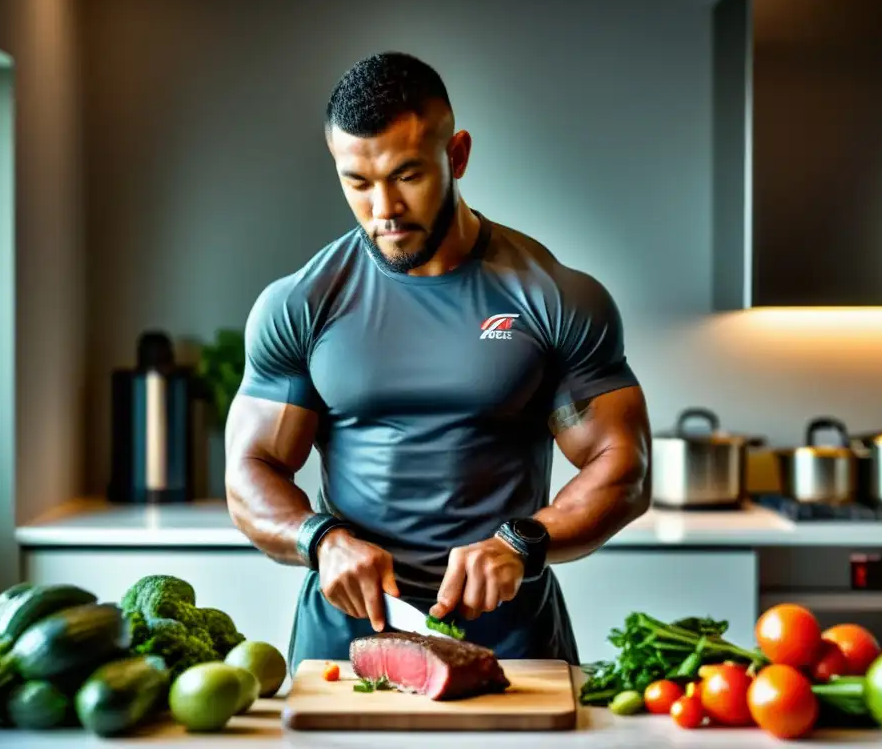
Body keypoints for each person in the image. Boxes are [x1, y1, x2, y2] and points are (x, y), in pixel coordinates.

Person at [224, 51, 652, 674]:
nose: (384, 210)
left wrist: (522, 543)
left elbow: (624, 469)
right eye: (358, 182)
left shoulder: (553, 295)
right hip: (346, 642)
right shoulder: (301, 303)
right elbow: (249, 470)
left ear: (456, 157)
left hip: (509, 640)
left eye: (407, 175)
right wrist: (322, 541)